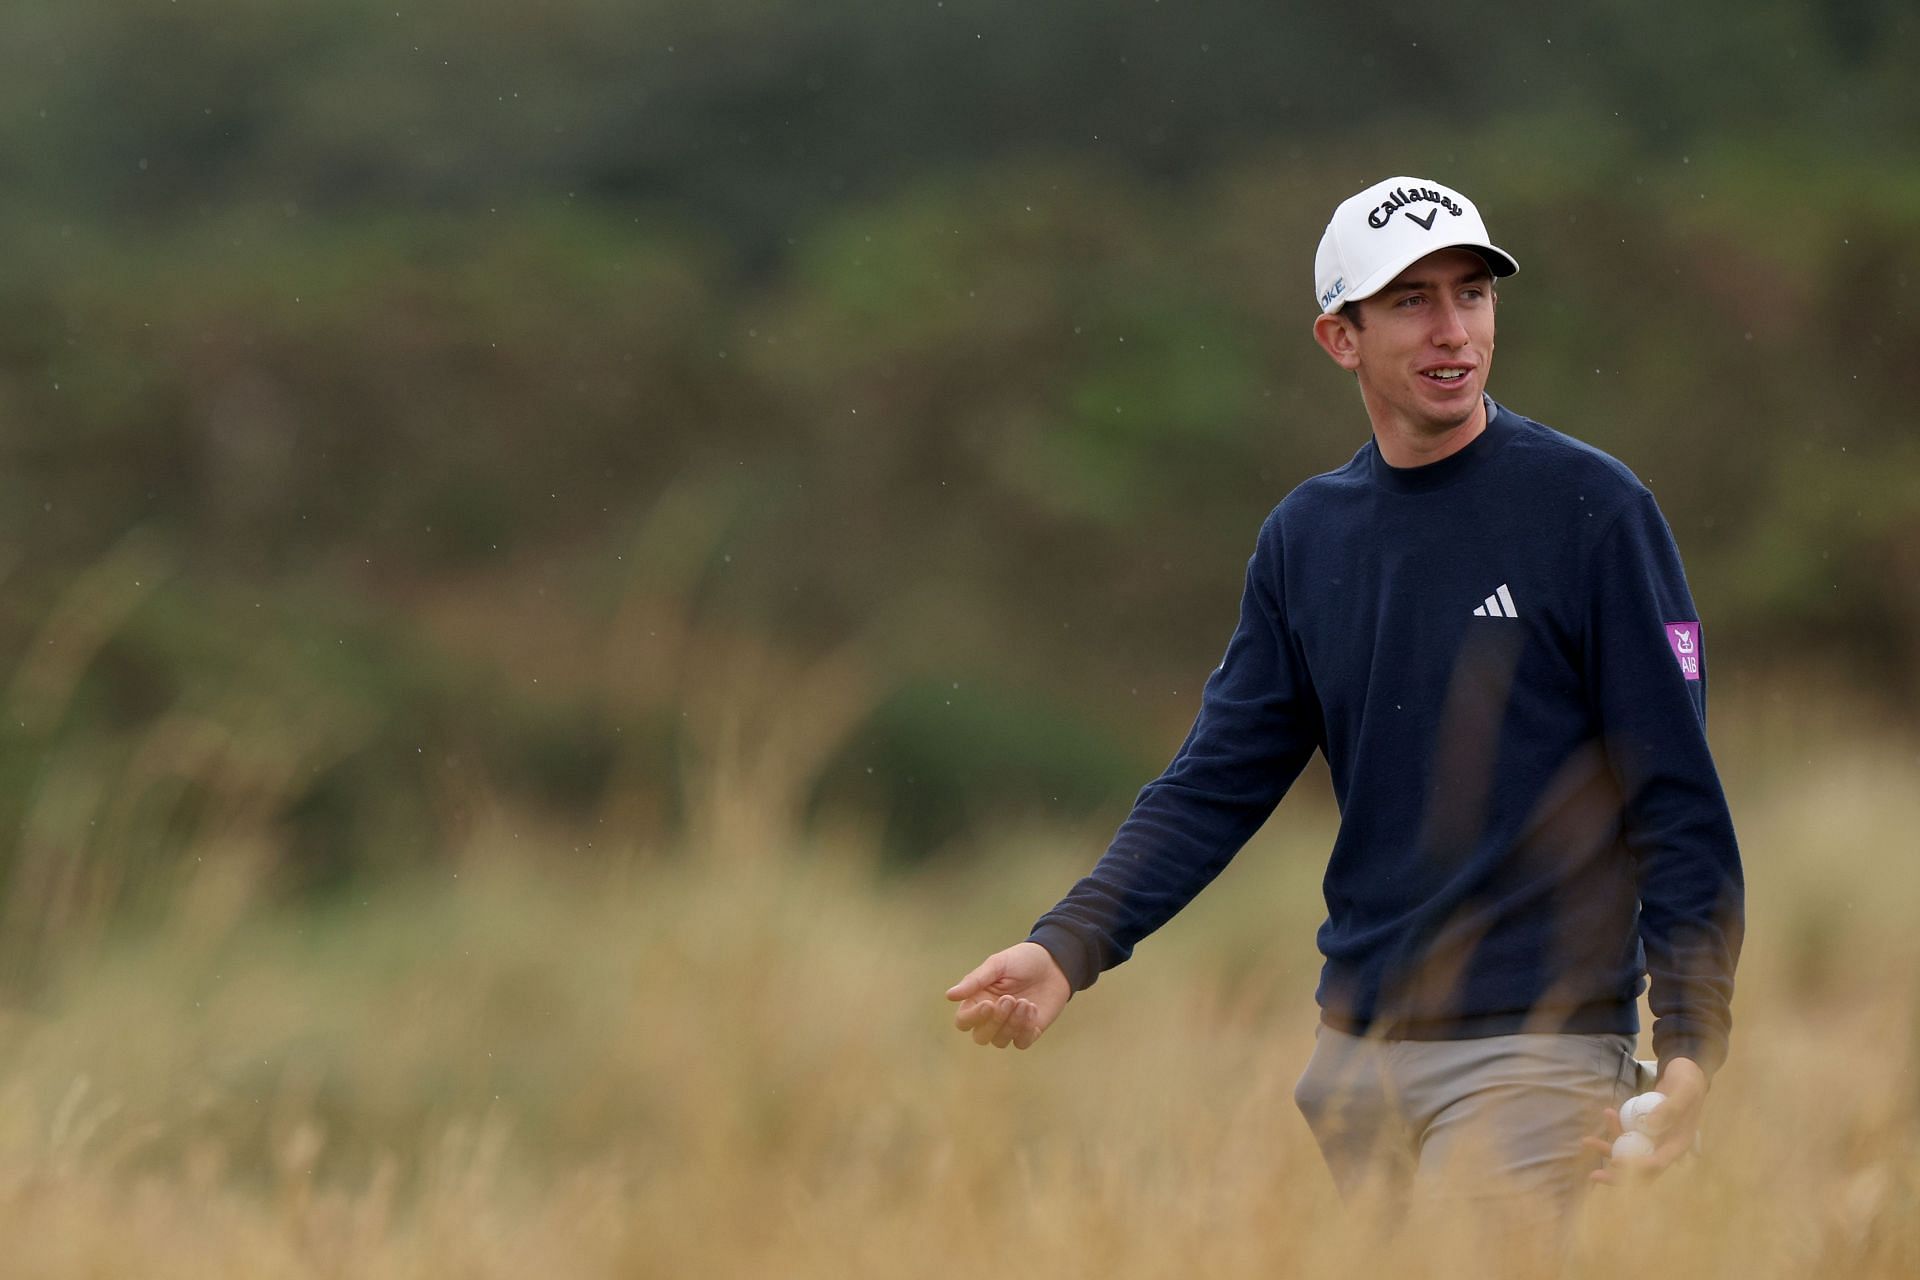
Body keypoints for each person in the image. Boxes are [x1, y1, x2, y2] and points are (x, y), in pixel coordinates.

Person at [945, 176, 1744, 1228]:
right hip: (1356, 1062)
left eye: (1472, 292)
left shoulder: (1593, 510)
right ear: (1340, 336)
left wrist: (1689, 1045)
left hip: (1537, 1049)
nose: (1453, 328)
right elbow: (1215, 782)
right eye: (1411, 300)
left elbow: (1675, 794)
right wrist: (1067, 946)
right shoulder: (1306, 538)